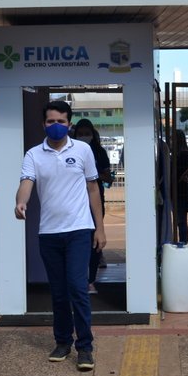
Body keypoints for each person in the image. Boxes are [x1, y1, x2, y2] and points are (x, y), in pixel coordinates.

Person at [15, 101, 106, 371]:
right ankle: (62, 342)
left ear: (69, 124)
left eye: (61, 122)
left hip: (79, 230)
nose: (56, 126)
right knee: (58, 293)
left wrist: (100, 227)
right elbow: (26, 182)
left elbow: (93, 189)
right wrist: (21, 202)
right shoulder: (34, 154)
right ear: (43, 124)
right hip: (49, 234)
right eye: (51, 121)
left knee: (78, 288)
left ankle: (85, 347)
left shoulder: (83, 150)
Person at [73, 118, 113, 295]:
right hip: (74, 202)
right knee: (77, 240)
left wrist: (92, 175)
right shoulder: (69, 151)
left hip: (94, 202)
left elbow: (108, 178)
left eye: (87, 134)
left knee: (94, 241)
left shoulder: (99, 152)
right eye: (80, 134)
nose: (84, 137)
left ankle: (90, 280)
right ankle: (78, 279)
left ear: (93, 135)